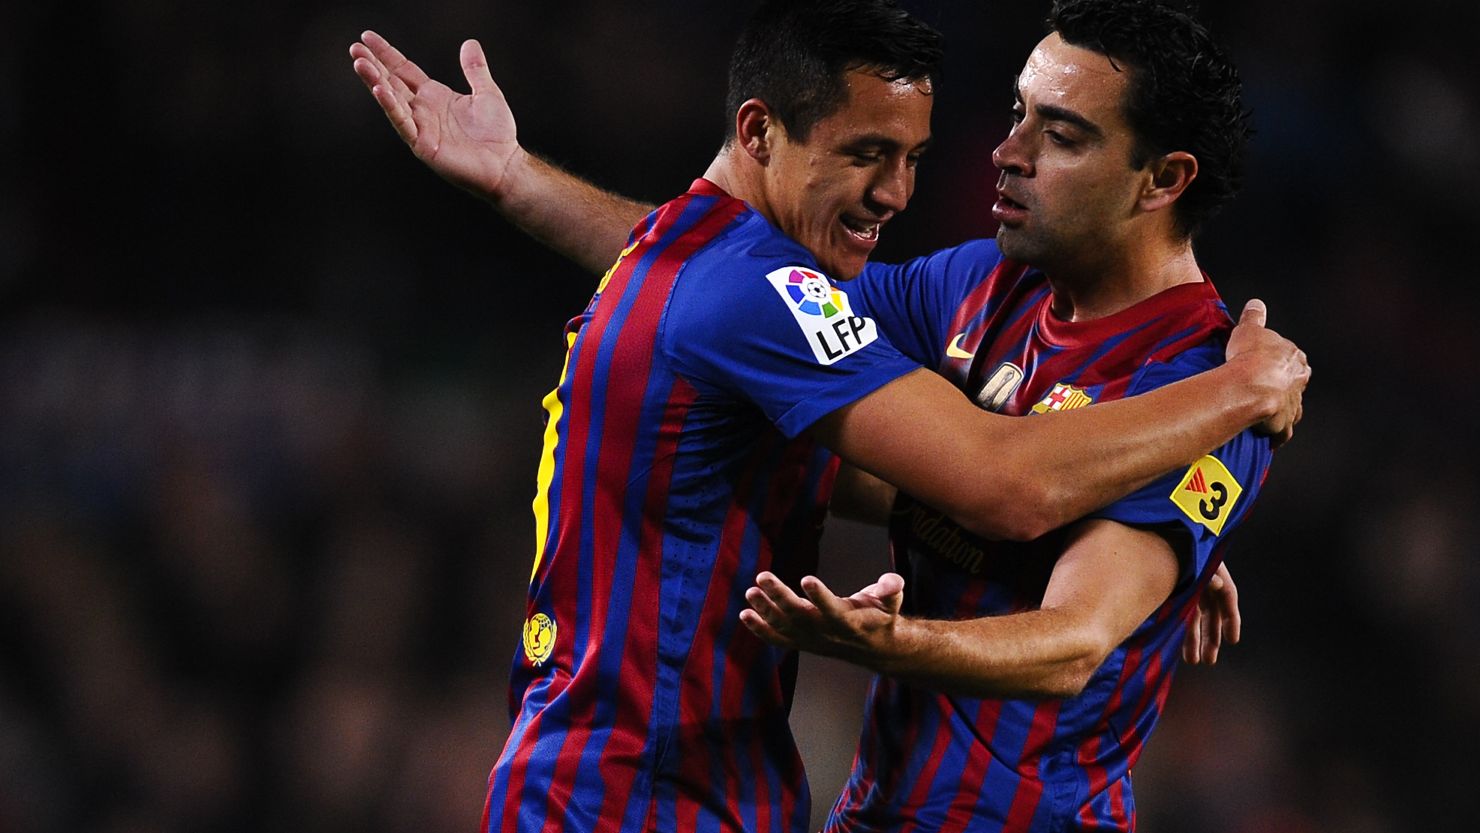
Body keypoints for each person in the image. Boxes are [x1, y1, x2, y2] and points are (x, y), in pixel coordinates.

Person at [348, 2, 1307, 831]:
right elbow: (760, 318)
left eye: (1060, 135)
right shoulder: (981, 288)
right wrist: (1242, 396)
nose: (1003, 153)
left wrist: (1209, 459)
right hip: (704, 793)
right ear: (762, 131)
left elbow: (1071, 641)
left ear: (1164, 178)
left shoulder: (1190, 378)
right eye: (1019, 115)